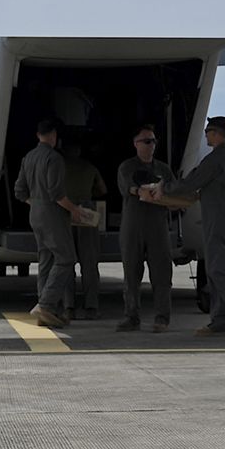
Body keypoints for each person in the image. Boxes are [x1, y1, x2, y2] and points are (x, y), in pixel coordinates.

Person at [146, 116, 225, 339]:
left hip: (217, 225)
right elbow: (211, 188)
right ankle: (219, 320)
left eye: (208, 131)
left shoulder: (215, 159)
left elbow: (191, 182)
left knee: (218, 270)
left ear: (217, 134)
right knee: (215, 270)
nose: (206, 135)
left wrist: (165, 188)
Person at [13, 119, 87, 328]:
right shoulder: (53, 158)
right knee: (66, 259)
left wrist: (35, 203)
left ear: (38, 135)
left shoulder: (28, 157)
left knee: (45, 259)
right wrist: (75, 210)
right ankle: (45, 305)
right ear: (54, 135)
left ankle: (46, 311)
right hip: (52, 215)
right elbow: (56, 194)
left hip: (35, 213)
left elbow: (19, 191)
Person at [114, 124, 177, 333]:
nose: (151, 145)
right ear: (136, 144)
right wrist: (144, 190)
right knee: (131, 273)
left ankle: (162, 318)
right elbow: (129, 187)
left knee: (161, 273)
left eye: (154, 141)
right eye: (147, 141)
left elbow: (174, 192)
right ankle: (131, 316)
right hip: (134, 226)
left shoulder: (163, 169)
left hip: (157, 226)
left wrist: (174, 200)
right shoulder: (127, 167)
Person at [62, 141, 109, 320]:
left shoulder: (59, 167)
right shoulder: (89, 167)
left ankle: (68, 306)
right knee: (89, 263)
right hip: (86, 212)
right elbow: (103, 189)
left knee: (66, 262)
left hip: (65, 211)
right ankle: (91, 306)